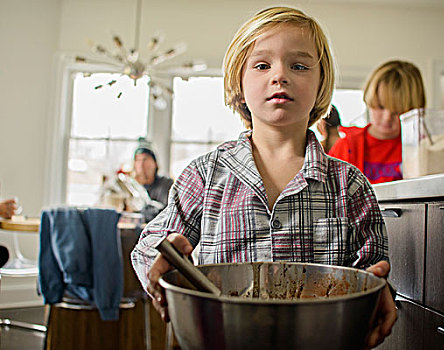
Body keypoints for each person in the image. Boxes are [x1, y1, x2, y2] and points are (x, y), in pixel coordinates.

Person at [131, 6, 396, 349]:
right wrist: (162, 264)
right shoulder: (204, 175)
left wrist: (379, 289)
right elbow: (149, 246)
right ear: (239, 84)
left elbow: (371, 273)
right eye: (261, 65)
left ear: (321, 84)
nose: (280, 75)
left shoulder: (350, 185)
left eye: (299, 65)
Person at [329, 60, 426, 184]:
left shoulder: (421, 148)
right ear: (370, 100)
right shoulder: (346, 146)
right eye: (380, 107)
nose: (387, 118)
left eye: (397, 111)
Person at [133, 143, 174, 222]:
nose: (141, 164)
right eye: (138, 160)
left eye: (145, 160)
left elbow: (165, 211)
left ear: (154, 163)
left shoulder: (166, 184)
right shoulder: (132, 186)